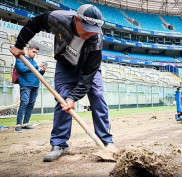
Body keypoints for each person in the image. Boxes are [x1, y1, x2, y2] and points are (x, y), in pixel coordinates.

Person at [10, 4, 115, 162]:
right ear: (76, 20)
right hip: (65, 66)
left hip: (87, 69)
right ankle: (58, 144)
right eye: (86, 28)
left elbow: (87, 77)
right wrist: (19, 45)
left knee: (97, 96)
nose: (89, 33)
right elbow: (34, 24)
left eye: (92, 30)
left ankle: (107, 142)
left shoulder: (96, 40)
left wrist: (74, 97)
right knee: (62, 99)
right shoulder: (58, 19)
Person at [14, 45, 47, 133]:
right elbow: (22, 70)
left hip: (35, 85)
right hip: (25, 84)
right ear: (28, 50)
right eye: (33, 51)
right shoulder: (20, 59)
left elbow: (37, 74)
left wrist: (42, 70)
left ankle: (25, 124)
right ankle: (18, 125)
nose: (35, 54)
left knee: (31, 104)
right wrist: (36, 65)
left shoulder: (33, 61)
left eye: (36, 52)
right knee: (24, 102)